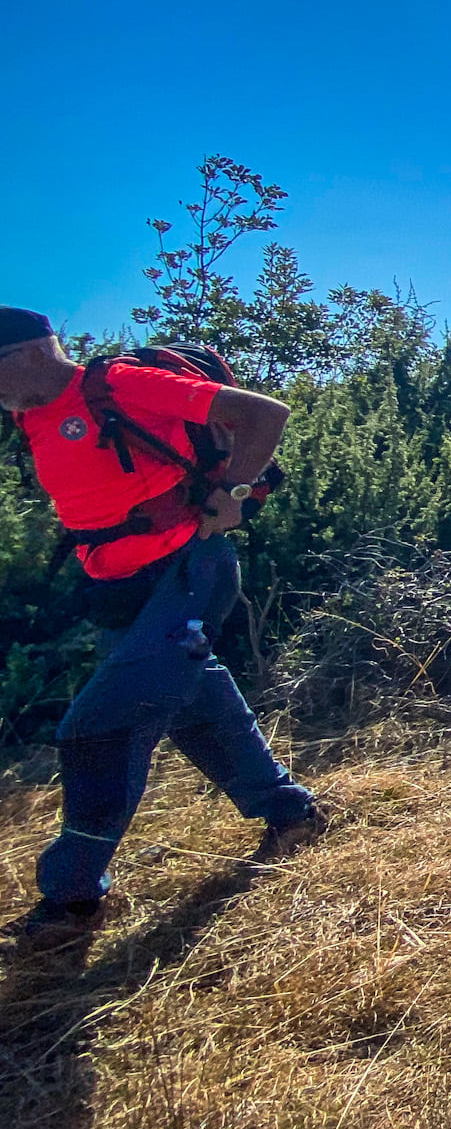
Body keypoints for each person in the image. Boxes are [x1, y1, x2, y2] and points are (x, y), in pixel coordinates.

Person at [0, 309, 326, 951]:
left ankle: (72, 898)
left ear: (34, 351)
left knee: (99, 727)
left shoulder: (116, 383)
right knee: (198, 707)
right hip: (118, 586)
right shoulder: (26, 413)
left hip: (187, 564)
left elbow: (264, 412)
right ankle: (292, 814)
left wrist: (235, 493)